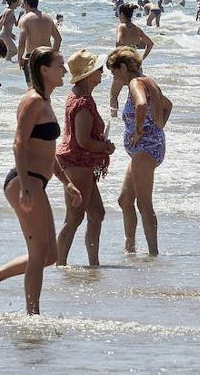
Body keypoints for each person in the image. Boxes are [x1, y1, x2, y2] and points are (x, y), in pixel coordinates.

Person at [0, 47, 82, 313]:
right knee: (38, 252)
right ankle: (33, 314)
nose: (65, 70)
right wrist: (24, 186)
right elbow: (18, 144)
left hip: (36, 181)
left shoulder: (45, 102)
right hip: (25, 181)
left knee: (49, 255)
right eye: (60, 66)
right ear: (44, 70)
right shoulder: (31, 100)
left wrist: (65, 181)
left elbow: (45, 150)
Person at [108, 46, 173, 256]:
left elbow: (142, 105)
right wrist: (159, 125)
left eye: (114, 71)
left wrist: (138, 132)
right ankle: (130, 249)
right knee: (125, 200)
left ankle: (153, 254)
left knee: (144, 203)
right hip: (146, 148)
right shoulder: (147, 80)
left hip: (145, 149)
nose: (114, 77)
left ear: (124, 67)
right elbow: (168, 105)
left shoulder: (136, 83)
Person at [56, 49, 115, 267]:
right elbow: (83, 141)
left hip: (79, 162)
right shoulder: (83, 102)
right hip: (77, 162)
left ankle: (94, 264)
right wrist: (106, 147)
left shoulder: (79, 95)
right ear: (89, 75)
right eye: (99, 70)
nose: (102, 74)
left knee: (97, 213)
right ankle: (59, 263)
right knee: (74, 218)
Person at [17, 0, 62, 84]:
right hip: (47, 55)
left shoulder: (25, 19)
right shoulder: (48, 18)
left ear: (26, 3)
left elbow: (22, 42)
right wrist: (53, 55)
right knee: (45, 87)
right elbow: (58, 39)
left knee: (32, 87)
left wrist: (20, 58)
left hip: (32, 56)